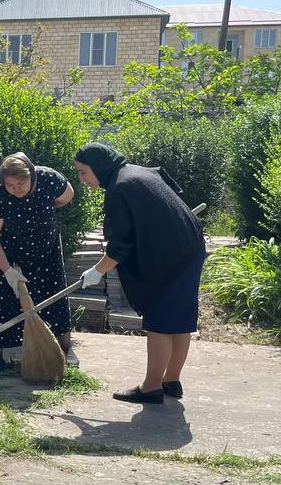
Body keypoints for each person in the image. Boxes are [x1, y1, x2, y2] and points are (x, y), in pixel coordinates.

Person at [73, 142, 206, 404]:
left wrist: (96, 271)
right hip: (190, 247)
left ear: (98, 167)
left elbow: (120, 244)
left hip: (167, 257)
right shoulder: (142, 172)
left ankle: (151, 387)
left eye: (83, 172)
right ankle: (171, 381)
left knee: (159, 323)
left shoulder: (119, 189)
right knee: (179, 320)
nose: (81, 179)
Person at [0, 153, 77, 372]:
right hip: (9, 253)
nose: (16, 189)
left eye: (21, 184)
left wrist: (44, 209)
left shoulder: (48, 179)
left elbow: (67, 196)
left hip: (45, 250)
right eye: (10, 185)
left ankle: (65, 349)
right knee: (3, 300)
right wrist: (8, 271)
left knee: (54, 296)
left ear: (32, 176)